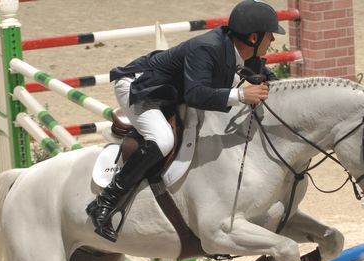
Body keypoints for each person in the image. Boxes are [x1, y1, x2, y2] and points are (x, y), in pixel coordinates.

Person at [86, 0, 285, 242]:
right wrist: (242, 95)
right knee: (163, 139)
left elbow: (266, 79)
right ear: (253, 37)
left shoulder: (246, 53)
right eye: (270, 36)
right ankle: (104, 203)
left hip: (171, 91)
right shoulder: (206, 48)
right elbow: (195, 95)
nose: (273, 41)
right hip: (140, 88)